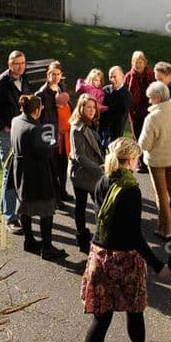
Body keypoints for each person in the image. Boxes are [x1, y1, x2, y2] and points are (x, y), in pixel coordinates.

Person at [78, 137, 171, 342]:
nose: (138, 162)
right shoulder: (130, 189)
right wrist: (157, 264)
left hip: (100, 255)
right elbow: (133, 236)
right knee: (135, 310)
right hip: (124, 259)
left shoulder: (102, 181)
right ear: (130, 160)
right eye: (137, 158)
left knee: (101, 321)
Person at [10, 93, 67, 261]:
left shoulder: (16, 121)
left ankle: (29, 241)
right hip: (38, 175)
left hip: (20, 171)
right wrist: (51, 140)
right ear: (36, 110)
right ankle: (47, 248)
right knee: (46, 210)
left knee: (25, 206)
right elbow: (47, 153)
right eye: (40, 108)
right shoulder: (36, 129)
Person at [0, 49, 30, 230]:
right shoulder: (0, 83)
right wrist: (4, 127)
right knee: (9, 173)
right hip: (5, 135)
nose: (20, 66)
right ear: (9, 64)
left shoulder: (25, 79)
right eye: (17, 63)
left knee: (20, 172)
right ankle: (10, 217)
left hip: (21, 132)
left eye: (23, 63)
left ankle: (15, 210)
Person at [138, 81, 171, 239]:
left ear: (158, 97)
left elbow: (144, 144)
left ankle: (165, 230)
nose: (148, 101)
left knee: (161, 193)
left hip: (157, 161)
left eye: (150, 98)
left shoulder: (152, 118)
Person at [69, 93, 105, 253]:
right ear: (81, 108)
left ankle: (101, 237)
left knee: (100, 205)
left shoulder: (92, 123)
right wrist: (101, 169)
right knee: (81, 205)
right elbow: (79, 156)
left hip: (94, 173)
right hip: (83, 175)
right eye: (88, 107)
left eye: (93, 107)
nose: (91, 110)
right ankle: (83, 239)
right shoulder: (78, 127)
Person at [36, 61, 72, 204]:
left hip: (65, 135)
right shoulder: (41, 94)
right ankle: (55, 197)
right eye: (52, 74)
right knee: (53, 168)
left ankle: (63, 191)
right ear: (47, 75)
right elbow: (38, 117)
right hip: (51, 136)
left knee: (63, 165)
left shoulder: (62, 87)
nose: (55, 77)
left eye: (58, 74)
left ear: (61, 75)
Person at [124, 51, 155, 173]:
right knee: (137, 137)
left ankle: (150, 161)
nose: (138, 65)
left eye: (140, 62)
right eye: (136, 62)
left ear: (145, 62)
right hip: (135, 112)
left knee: (149, 136)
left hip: (149, 110)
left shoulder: (151, 74)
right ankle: (141, 163)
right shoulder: (129, 76)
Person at [101, 66, 133, 145]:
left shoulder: (126, 95)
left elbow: (118, 113)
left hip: (116, 133)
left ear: (122, 76)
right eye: (110, 77)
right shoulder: (105, 90)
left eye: (115, 77)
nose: (112, 80)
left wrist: (105, 109)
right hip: (101, 130)